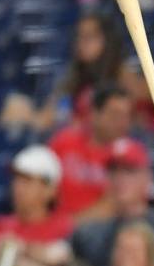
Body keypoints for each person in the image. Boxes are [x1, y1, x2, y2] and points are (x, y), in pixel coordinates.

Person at [1, 14, 132, 133]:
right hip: (72, 147)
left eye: (89, 37)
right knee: (16, 106)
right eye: (79, 37)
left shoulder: (123, 77)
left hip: (107, 149)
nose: (82, 43)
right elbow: (48, 117)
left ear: (108, 41)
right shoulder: (72, 79)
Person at [70, 138, 154, 266]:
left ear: (147, 177)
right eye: (113, 171)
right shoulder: (91, 236)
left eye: (129, 171)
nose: (119, 179)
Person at [48, 85, 133, 221]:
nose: (122, 122)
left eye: (126, 115)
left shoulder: (129, 153)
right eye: (115, 114)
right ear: (95, 114)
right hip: (57, 222)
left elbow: (113, 206)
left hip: (101, 231)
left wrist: (67, 225)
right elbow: (44, 188)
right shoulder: (64, 142)